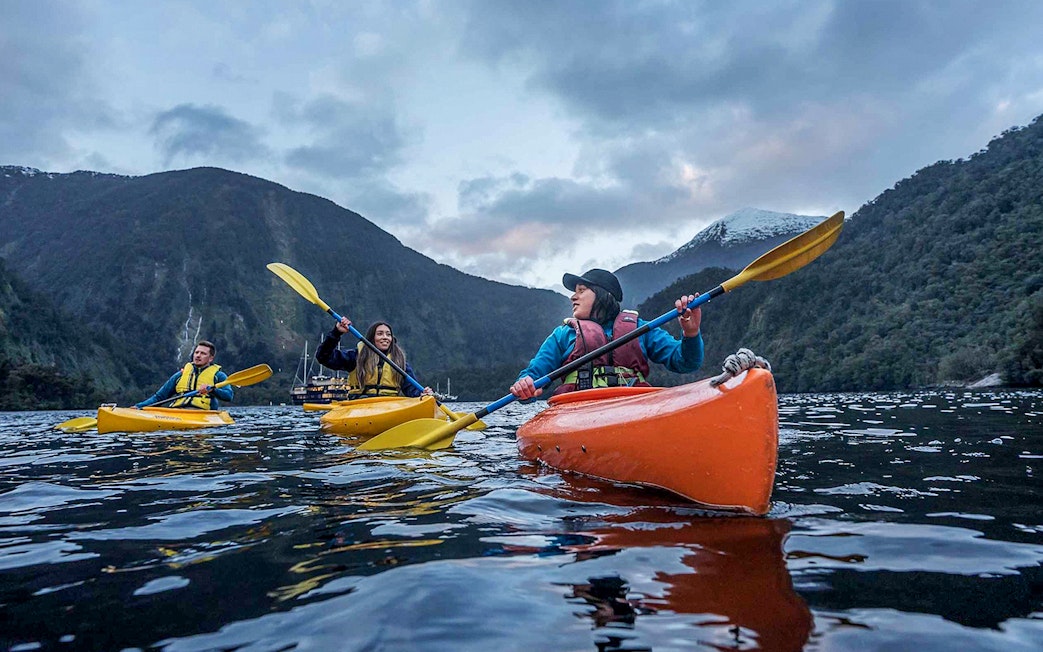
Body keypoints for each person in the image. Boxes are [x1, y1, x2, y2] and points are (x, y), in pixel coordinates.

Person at [510, 268, 703, 400]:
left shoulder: (641, 329)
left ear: (603, 295)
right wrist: (524, 385)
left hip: (633, 407)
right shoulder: (563, 335)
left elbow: (686, 363)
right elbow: (533, 376)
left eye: (581, 290)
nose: (573, 296)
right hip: (576, 410)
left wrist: (691, 333)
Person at [316, 317, 433, 399]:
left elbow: (412, 390)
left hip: (389, 407)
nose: (385, 337)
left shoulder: (399, 362)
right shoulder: (356, 357)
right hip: (360, 404)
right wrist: (336, 333)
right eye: (380, 334)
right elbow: (324, 357)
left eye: (388, 334)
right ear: (371, 338)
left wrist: (423, 395)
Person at [135, 340, 233, 409]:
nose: (198, 355)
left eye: (203, 353)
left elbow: (228, 396)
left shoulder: (219, 376)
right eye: (196, 352)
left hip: (202, 413)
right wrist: (138, 406)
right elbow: (159, 397)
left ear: (211, 358)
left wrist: (213, 390)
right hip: (177, 412)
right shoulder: (180, 375)